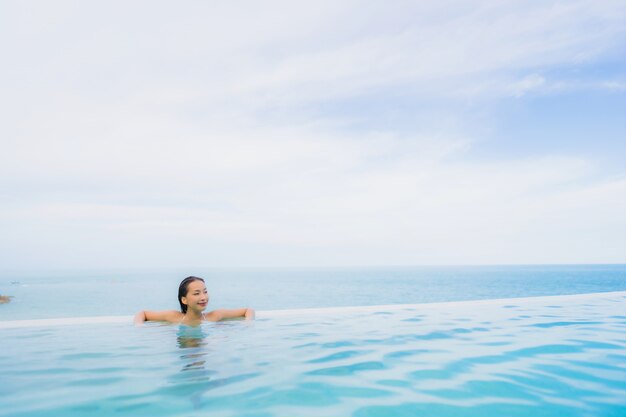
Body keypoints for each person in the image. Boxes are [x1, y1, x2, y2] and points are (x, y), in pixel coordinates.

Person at [134, 276, 255, 326]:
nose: (203, 297)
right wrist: (139, 327)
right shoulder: (173, 317)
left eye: (205, 292)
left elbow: (247, 310)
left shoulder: (214, 316)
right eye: (197, 293)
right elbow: (142, 313)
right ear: (184, 300)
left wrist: (248, 323)